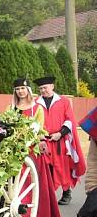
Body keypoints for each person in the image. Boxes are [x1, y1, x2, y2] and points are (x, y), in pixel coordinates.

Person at [10, 78, 63, 217]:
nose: (20, 91)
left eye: (23, 88)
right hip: (14, 148)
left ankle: (25, 215)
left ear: (28, 90)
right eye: (18, 89)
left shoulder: (37, 108)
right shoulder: (11, 108)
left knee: (26, 180)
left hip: (31, 149)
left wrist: (37, 140)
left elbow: (40, 130)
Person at [34, 76, 86, 205]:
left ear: (52, 86)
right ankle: (47, 195)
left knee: (63, 166)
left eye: (45, 87)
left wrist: (60, 133)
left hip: (59, 140)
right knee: (46, 167)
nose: (43, 90)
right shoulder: (36, 102)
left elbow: (69, 120)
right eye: (41, 88)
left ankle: (66, 193)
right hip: (43, 140)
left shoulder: (63, 101)